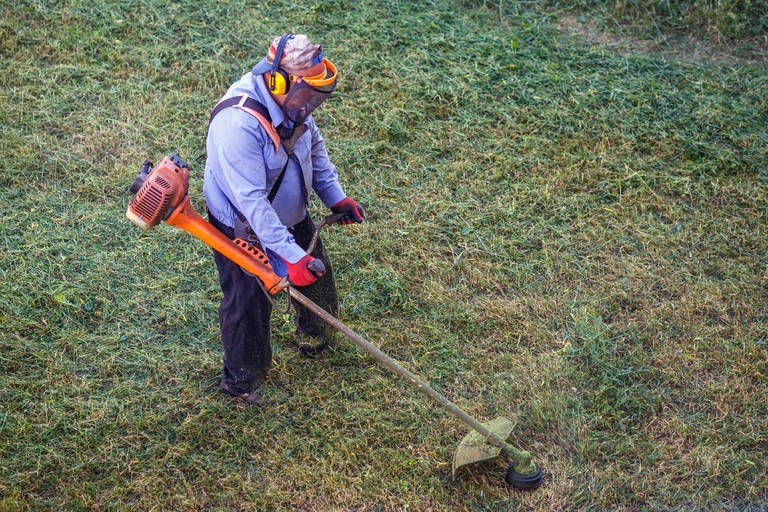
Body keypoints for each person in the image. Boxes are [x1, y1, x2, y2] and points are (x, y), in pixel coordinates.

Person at [203, 32, 365, 405]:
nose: (312, 104)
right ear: (278, 80)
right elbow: (252, 203)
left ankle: (315, 340)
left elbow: (315, 150)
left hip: (290, 215)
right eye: (308, 94)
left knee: (316, 276)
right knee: (248, 303)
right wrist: (289, 256)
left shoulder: (294, 106)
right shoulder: (237, 125)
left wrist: (334, 196)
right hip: (243, 228)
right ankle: (241, 380)